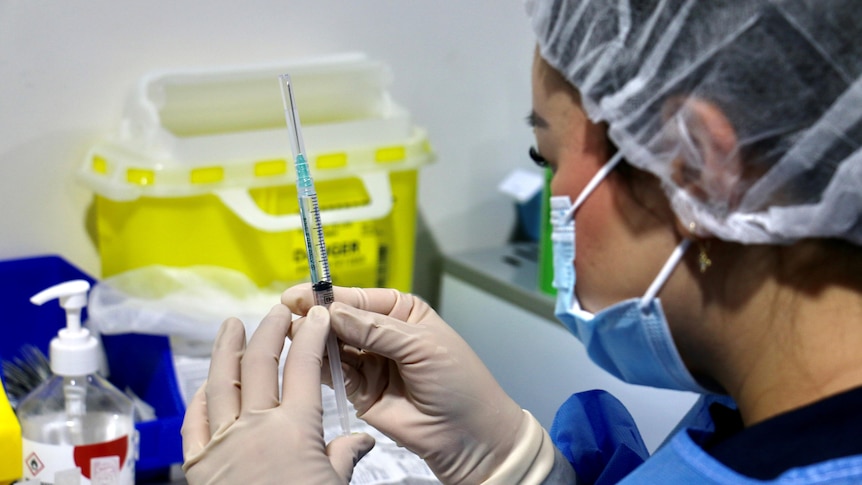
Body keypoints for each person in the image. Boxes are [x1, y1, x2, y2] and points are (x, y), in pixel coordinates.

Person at [180, 0, 862, 483]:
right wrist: (517, 467)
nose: (550, 193)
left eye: (546, 156)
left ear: (701, 167)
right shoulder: (760, 410)